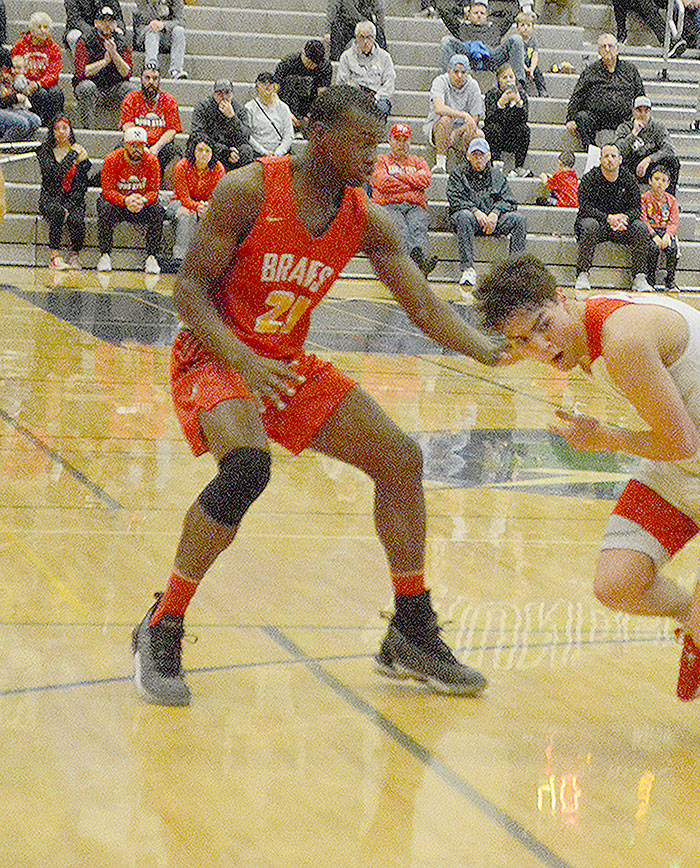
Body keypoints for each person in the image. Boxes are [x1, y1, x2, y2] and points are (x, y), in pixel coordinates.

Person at [131, 85, 505, 708]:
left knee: (401, 459)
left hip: (283, 363)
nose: (374, 156)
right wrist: (243, 357)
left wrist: (484, 348)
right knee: (248, 466)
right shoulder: (250, 190)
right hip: (218, 352)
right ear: (321, 135)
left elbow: (424, 305)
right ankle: (162, 624)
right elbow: (189, 293)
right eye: (362, 142)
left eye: (378, 144)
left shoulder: (367, 218)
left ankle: (411, 629)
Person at [476, 253, 700, 737]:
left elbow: (680, 442)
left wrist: (604, 437)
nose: (541, 344)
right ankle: (696, 624)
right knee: (616, 584)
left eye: (542, 326)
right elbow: (685, 331)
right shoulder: (589, 317)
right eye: (523, 341)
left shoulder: (622, 342)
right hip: (684, 459)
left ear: (562, 299)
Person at [448, 137, 527, 287]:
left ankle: (517, 271)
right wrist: (475, 211)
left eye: (482, 155)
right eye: (475, 155)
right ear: (468, 156)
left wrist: (495, 213)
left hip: (493, 221)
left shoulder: (497, 175)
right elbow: (455, 199)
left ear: (489, 156)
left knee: (519, 219)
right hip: (469, 220)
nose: (478, 159)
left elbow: (510, 201)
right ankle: (468, 269)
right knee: (464, 216)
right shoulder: (457, 174)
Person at [575, 142, 652, 292]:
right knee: (589, 225)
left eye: (613, 156)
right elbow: (585, 207)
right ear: (600, 159)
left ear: (620, 159)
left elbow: (637, 208)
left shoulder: (629, 179)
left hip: (621, 224)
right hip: (599, 223)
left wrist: (625, 217)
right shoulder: (589, 178)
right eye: (606, 156)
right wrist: (607, 218)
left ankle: (639, 277)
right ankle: (582, 274)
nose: (609, 159)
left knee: (641, 228)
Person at [370, 121, 436, 277]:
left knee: (418, 227)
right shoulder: (381, 161)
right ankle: (409, 271)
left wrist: (398, 178)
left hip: (415, 206)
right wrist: (412, 182)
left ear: (410, 142)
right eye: (397, 139)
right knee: (401, 230)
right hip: (389, 205)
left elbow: (425, 180)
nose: (401, 143)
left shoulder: (419, 161)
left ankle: (420, 265)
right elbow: (383, 183)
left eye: (405, 139)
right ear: (390, 141)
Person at [97, 125, 164, 274]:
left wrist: (143, 200)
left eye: (140, 146)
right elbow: (107, 191)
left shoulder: (152, 161)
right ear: (126, 145)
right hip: (119, 205)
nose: (136, 149)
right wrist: (125, 200)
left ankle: (152, 257)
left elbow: (154, 191)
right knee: (104, 205)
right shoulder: (112, 159)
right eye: (133, 145)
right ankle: (105, 255)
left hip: (141, 205)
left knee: (158, 210)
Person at [566, 34, 644, 150]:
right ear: (599, 51)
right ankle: (591, 151)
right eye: (603, 46)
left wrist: (641, 117)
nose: (607, 49)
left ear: (617, 49)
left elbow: (640, 96)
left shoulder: (630, 70)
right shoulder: (590, 71)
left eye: (610, 46)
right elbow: (577, 96)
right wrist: (570, 118)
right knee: (582, 117)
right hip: (597, 117)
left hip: (623, 118)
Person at [37, 115, 93, 271]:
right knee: (57, 212)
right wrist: (72, 156)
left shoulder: (80, 151)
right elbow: (54, 176)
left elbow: (82, 184)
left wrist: (69, 205)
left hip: (73, 198)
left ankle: (75, 255)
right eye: (56, 128)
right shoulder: (44, 151)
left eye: (64, 128)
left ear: (70, 131)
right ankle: (54, 257)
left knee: (76, 219)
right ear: (51, 131)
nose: (61, 132)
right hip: (50, 197)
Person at [72, 6, 133, 128]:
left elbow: (127, 72)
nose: (107, 24)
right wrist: (104, 62)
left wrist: (114, 55)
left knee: (130, 88)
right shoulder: (85, 40)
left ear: (115, 24)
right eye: (103, 20)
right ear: (96, 23)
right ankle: (89, 130)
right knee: (86, 87)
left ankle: (126, 130)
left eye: (110, 21)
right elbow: (82, 72)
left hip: (114, 88)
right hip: (93, 87)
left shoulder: (122, 41)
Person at [119, 62, 182, 177]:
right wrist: (140, 146)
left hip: (160, 145)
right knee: (119, 151)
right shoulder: (131, 98)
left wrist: (156, 147)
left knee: (176, 154)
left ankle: (169, 193)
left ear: (159, 81)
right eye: (147, 78)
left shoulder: (169, 100)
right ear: (141, 79)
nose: (151, 82)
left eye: (155, 78)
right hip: (136, 143)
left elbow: (172, 130)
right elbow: (127, 125)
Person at [440, 0, 526, 84]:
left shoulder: (496, 28)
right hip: (468, 56)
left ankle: (519, 82)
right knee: (446, 40)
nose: (479, 15)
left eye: (482, 13)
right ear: (469, 15)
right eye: (475, 13)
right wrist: (462, 10)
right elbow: (444, 12)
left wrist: (494, 12)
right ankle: (446, 81)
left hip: (491, 56)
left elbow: (513, 12)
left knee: (517, 39)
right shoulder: (461, 27)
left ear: (487, 16)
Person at [169, 136, 224, 262]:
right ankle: (180, 258)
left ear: (212, 153)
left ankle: (211, 261)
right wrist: (197, 207)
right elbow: (183, 198)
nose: (203, 154)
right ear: (193, 151)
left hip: (205, 205)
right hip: (178, 203)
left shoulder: (218, 169)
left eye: (207, 151)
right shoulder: (182, 166)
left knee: (218, 215)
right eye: (200, 150)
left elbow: (217, 197)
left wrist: (207, 207)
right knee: (188, 214)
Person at [426, 54, 483, 172]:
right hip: (439, 127)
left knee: (479, 135)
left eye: (463, 72)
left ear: (468, 73)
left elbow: (475, 117)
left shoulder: (473, 85)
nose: (459, 76)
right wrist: (463, 115)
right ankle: (441, 164)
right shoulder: (440, 81)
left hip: (462, 129)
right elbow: (439, 108)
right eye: (456, 71)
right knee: (446, 120)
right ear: (449, 71)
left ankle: (469, 168)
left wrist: (456, 133)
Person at [614, 95, 680, 194]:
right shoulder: (625, 127)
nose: (643, 114)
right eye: (639, 111)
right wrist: (634, 133)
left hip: (650, 166)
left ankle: (669, 199)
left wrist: (648, 160)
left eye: (646, 111)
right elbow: (618, 151)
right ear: (633, 112)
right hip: (631, 166)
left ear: (650, 112)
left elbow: (669, 149)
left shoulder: (658, 127)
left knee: (672, 161)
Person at [10, 12, 66, 128]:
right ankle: (39, 125)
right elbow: (13, 67)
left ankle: (53, 126)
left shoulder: (54, 49)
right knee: (40, 94)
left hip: (45, 84)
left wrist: (38, 83)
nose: (42, 30)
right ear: (32, 29)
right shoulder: (20, 46)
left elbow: (54, 73)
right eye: (39, 27)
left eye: (45, 27)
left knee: (56, 93)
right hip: (25, 84)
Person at [336, 20, 395, 120]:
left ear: (374, 38)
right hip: (354, 97)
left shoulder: (385, 57)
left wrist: (376, 98)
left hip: (377, 97)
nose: (365, 42)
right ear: (356, 38)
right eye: (362, 37)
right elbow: (341, 83)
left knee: (382, 107)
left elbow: (389, 84)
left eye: (369, 37)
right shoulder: (346, 56)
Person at [193, 79, 254, 171]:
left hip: (234, 147)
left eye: (227, 93)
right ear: (214, 95)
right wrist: (225, 151)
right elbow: (197, 134)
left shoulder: (239, 109)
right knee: (202, 147)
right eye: (219, 94)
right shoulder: (203, 107)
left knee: (246, 150)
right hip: (213, 146)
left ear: (232, 95)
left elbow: (245, 136)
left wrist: (232, 118)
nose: (223, 97)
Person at [483, 64, 530, 176]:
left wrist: (518, 103)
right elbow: (489, 118)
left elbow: (524, 119)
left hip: (512, 136)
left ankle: (519, 166)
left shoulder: (521, 95)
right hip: (496, 134)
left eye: (511, 77)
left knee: (524, 129)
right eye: (505, 77)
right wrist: (500, 104)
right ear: (499, 80)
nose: (508, 80)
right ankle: (495, 163)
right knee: (493, 129)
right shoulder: (492, 94)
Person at [275, 40, 332, 129]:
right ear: (303, 54)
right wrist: (287, 112)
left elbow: (322, 95)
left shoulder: (324, 66)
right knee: (292, 80)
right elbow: (274, 91)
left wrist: (310, 115)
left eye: (314, 65)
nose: (311, 66)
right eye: (309, 62)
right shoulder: (288, 62)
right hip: (287, 102)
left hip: (309, 103)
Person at [641, 167, 679, 292]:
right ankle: (650, 280)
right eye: (656, 179)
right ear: (650, 181)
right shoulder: (644, 198)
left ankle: (670, 280)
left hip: (665, 230)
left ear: (668, 184)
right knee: (653, 249)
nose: (659, 183)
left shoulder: (672, 200)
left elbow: (674, 221)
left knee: (672, 249)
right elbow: (643, 219)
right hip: (651, 230)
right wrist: (653, 235)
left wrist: (668, 235)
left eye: (663, 180)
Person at [132, 0, 186, 80]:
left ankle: (176, 70)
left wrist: (163, 24)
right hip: (146, 33)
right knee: (152, 31)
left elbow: (181, 21)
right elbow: (143, 19)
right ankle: (151, 65)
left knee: (179, 30)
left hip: (166, 34)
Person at [246, 72, 296, 158]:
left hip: (280, 153)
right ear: (257, 86)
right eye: (263, 83)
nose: (267, 86)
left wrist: (278, 152)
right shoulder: (249, 108)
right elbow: (248, 136)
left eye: (270, 83)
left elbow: (289, 134)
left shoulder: (283, 107)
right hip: (258, 153)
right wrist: (264, 152)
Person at [0, 60, 41, 142]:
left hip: (6, 107)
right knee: (21, 123)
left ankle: (17, 145)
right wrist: (14, 99)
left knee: (35, 120)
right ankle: (4, 146)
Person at [517, 11, 547, 98]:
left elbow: (535, 55)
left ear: (532, 27)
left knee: (538, 72)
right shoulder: (517, 41)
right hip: (519, 65)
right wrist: (525, 68)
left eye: (528, 25)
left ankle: (542, 90)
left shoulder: (533, 41)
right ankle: (522, 91)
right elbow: (517, 58)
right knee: (520, 73)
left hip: (529, 64)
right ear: (518, 27)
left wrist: (532, 69)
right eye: (522, 25)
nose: (525, 28)